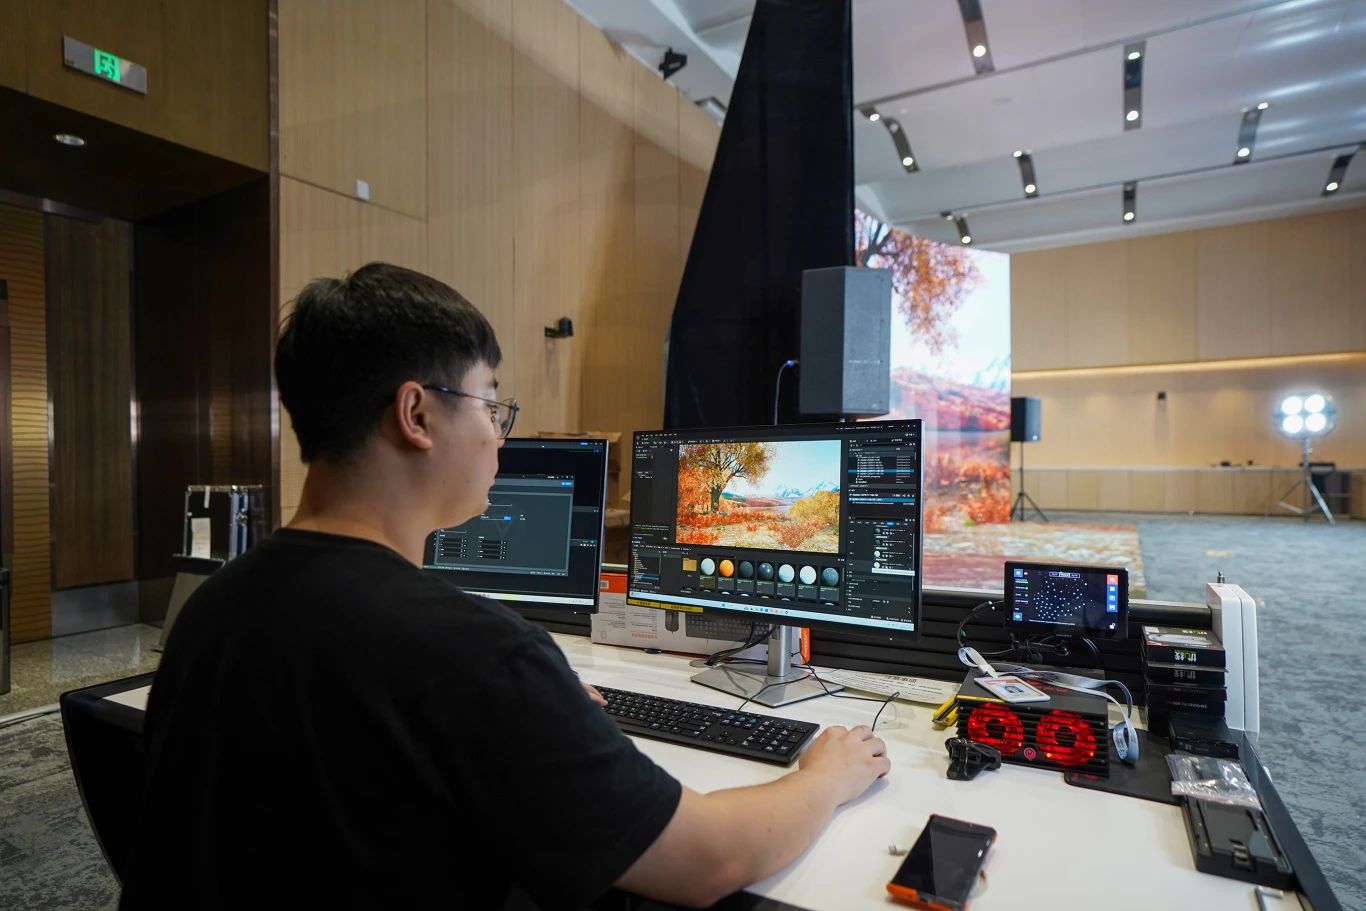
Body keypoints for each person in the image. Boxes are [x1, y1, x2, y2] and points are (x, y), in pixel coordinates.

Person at [122, 262, 889, 910]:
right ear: (416, 413)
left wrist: (536, 710)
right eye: (490, 403)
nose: (499, 432)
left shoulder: (211, 607)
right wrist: (828, 775)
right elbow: (711, 858)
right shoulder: (476, 655)